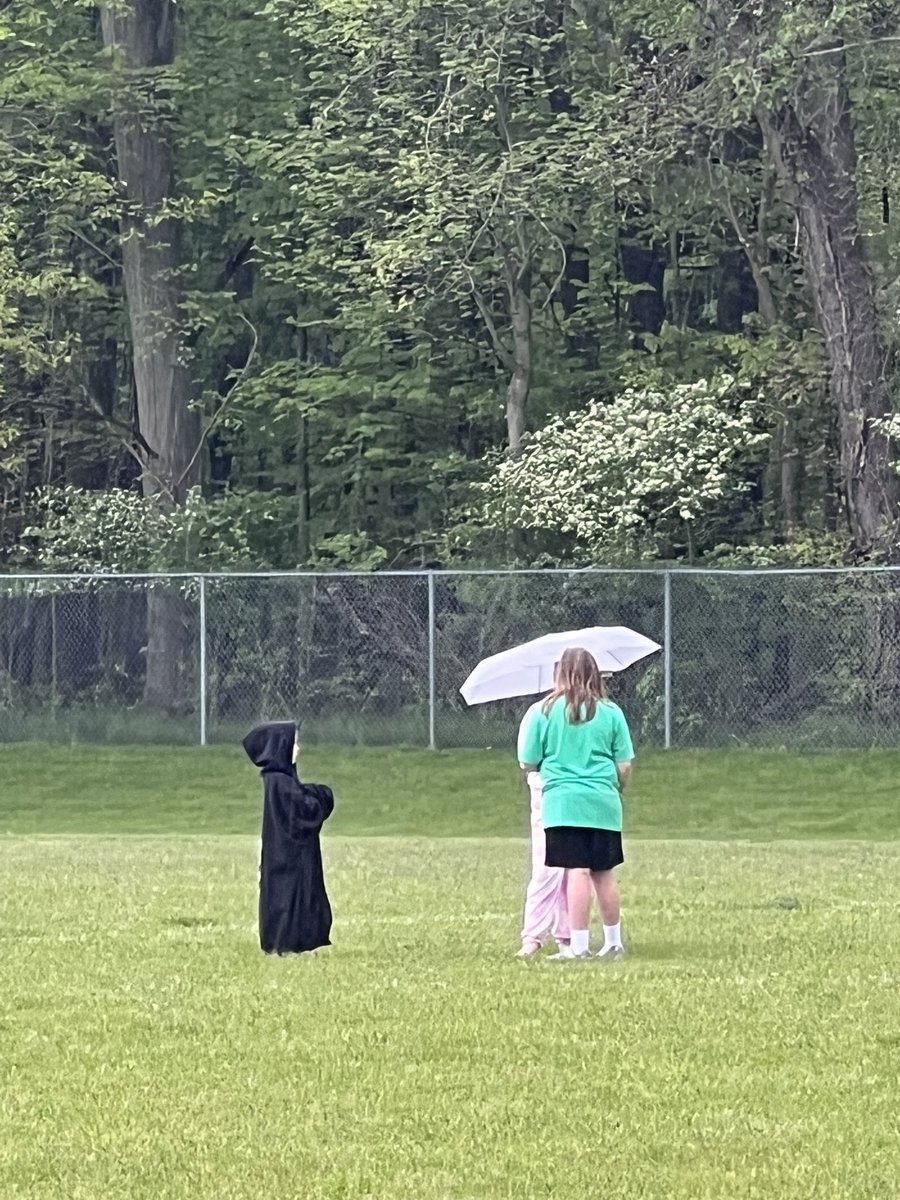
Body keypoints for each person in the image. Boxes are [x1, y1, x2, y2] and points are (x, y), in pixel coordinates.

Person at [517, 648, 634, 960]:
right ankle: (613, 942)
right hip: (604, 803)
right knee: (604, 872)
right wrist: (615, 787)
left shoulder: (543, 711)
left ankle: (578, 945)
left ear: (559, 673)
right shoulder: (612, 712)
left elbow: (528, 760)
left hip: (562, 803)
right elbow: (624, 765)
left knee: (576, 871)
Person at [242, 720, 334, 954]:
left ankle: (295, 938)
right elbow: (304, 810)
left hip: (286, 853)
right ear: (280, 747)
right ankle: (286, 939)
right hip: (286, 856)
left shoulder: (281, 779)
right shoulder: (280, 782)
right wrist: (323, 797)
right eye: (294, 744)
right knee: (286, 895)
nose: (298, 749)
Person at [517, 762, 570, 957]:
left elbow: (527, 760)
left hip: (561, 782)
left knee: (565, 868)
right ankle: (544, 936)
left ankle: (562, 936)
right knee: (554, 866)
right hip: (557, 783)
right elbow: (527, 759)